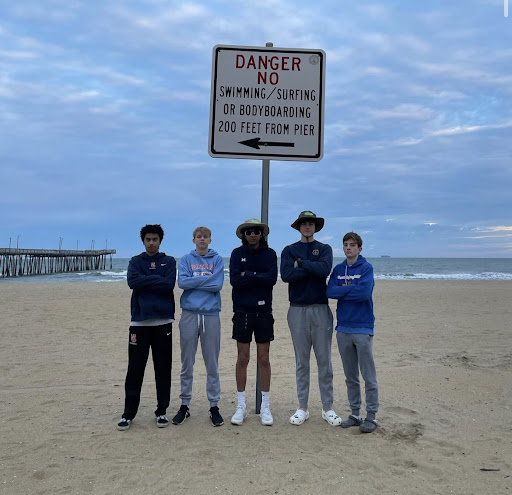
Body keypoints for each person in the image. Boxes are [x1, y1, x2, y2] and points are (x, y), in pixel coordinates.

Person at [280, 211, 342, 426]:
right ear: (299, 227)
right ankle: (302, 407)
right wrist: (309, 267)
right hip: (297, 309)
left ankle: (328, 408)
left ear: (315, 227)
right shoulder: (289, 250)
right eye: (304, 224)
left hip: (320, 309)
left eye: (311, 224)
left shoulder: (324, 249)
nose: (307, 227)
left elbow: (324, 270)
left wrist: (301, 265)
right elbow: (287, 276)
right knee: (302, 361)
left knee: (324, 361)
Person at [117, 224, 176, 431]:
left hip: (163, 323)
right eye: (148, 239)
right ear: (143, 241)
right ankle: (128, 414)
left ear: (160, 241)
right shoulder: (135, 261)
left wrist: (147, 281)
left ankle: (161, 411)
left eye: (155, 239)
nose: (151, 243)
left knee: (162, 368)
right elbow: (133, 282)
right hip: (139, 322)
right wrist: (155, 280)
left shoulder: (168, 261)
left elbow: (168, 285)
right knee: (135, 369)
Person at [171, 226, 225, 427]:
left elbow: (217, 285)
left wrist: (196, 282)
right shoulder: (185, 260)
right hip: (189, 314)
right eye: (199, 237)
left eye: (205, 237)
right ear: (193, 240)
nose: (202, 240)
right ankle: (185, 405)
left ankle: (214, 406)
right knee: (187, 361)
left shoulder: (217, 260)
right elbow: (182, 283)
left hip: (211, 314)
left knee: (212, 362)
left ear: (210, 239)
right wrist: (203, 280)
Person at [326, 232, 379, 433]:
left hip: (363, 328)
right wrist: (350, 288)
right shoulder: (338, 269)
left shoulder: (366, 268)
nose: (349, 248)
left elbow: (364, 293)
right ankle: (355, 414)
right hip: (343, 328)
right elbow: (330, 292)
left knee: (368, 375)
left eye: (352, 245)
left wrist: (344, 289)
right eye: (346, 245)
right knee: (350, 376)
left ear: (359, 249)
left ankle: (371, 417)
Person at [229, 219, 278, 426]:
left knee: (264, 358)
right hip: (242, 311)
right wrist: (257, 277)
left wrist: (248, 274)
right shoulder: (236, 254)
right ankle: (241, 405)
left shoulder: (270, 254)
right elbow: (234, 281)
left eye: (256, 231)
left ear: (261, 233)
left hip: (264, 311)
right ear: (243, 235)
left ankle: (265, 406)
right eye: (248, 231)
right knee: (243, 358)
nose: (253, 234)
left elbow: (271, 279)